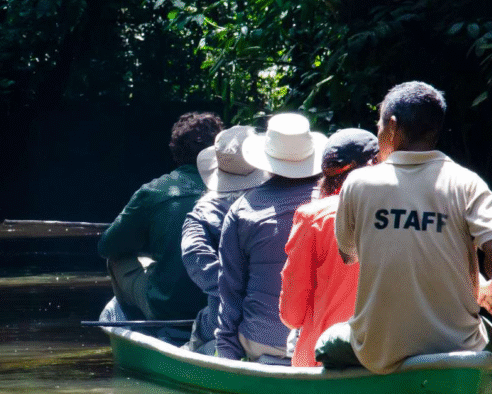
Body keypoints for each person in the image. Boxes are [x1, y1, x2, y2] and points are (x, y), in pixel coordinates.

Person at [317, 81, 492, 373]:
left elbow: (350, 256)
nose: (378, 132)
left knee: (325, 343)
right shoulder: (467, 182)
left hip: (378, 349)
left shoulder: (358, 184)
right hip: (458, 347)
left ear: (393, 126)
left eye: (379, 124)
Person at [215, 113, 326, 362]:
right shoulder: (335, 205)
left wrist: (226, 350)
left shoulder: (242, 209)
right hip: (322, 341)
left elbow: (230, 290)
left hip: (262, 341)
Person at [97, 112, 224, 322]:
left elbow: (107, 246)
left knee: (117, 259)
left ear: (176, 150)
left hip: (169, 308)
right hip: (224, 307)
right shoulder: (240, 192)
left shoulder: (155, 191)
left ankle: (136, 317)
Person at [278, 128, 379, 367]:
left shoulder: (312, 216)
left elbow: (292, 315)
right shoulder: (403, 212)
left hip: (322, 359)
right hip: (385, 360)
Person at [181, 125, 270, 355]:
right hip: (282, 315)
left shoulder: (200, 214)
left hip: (224, 318)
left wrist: (241, 293)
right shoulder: (284, 205)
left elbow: (198, 266)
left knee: (203, 323)